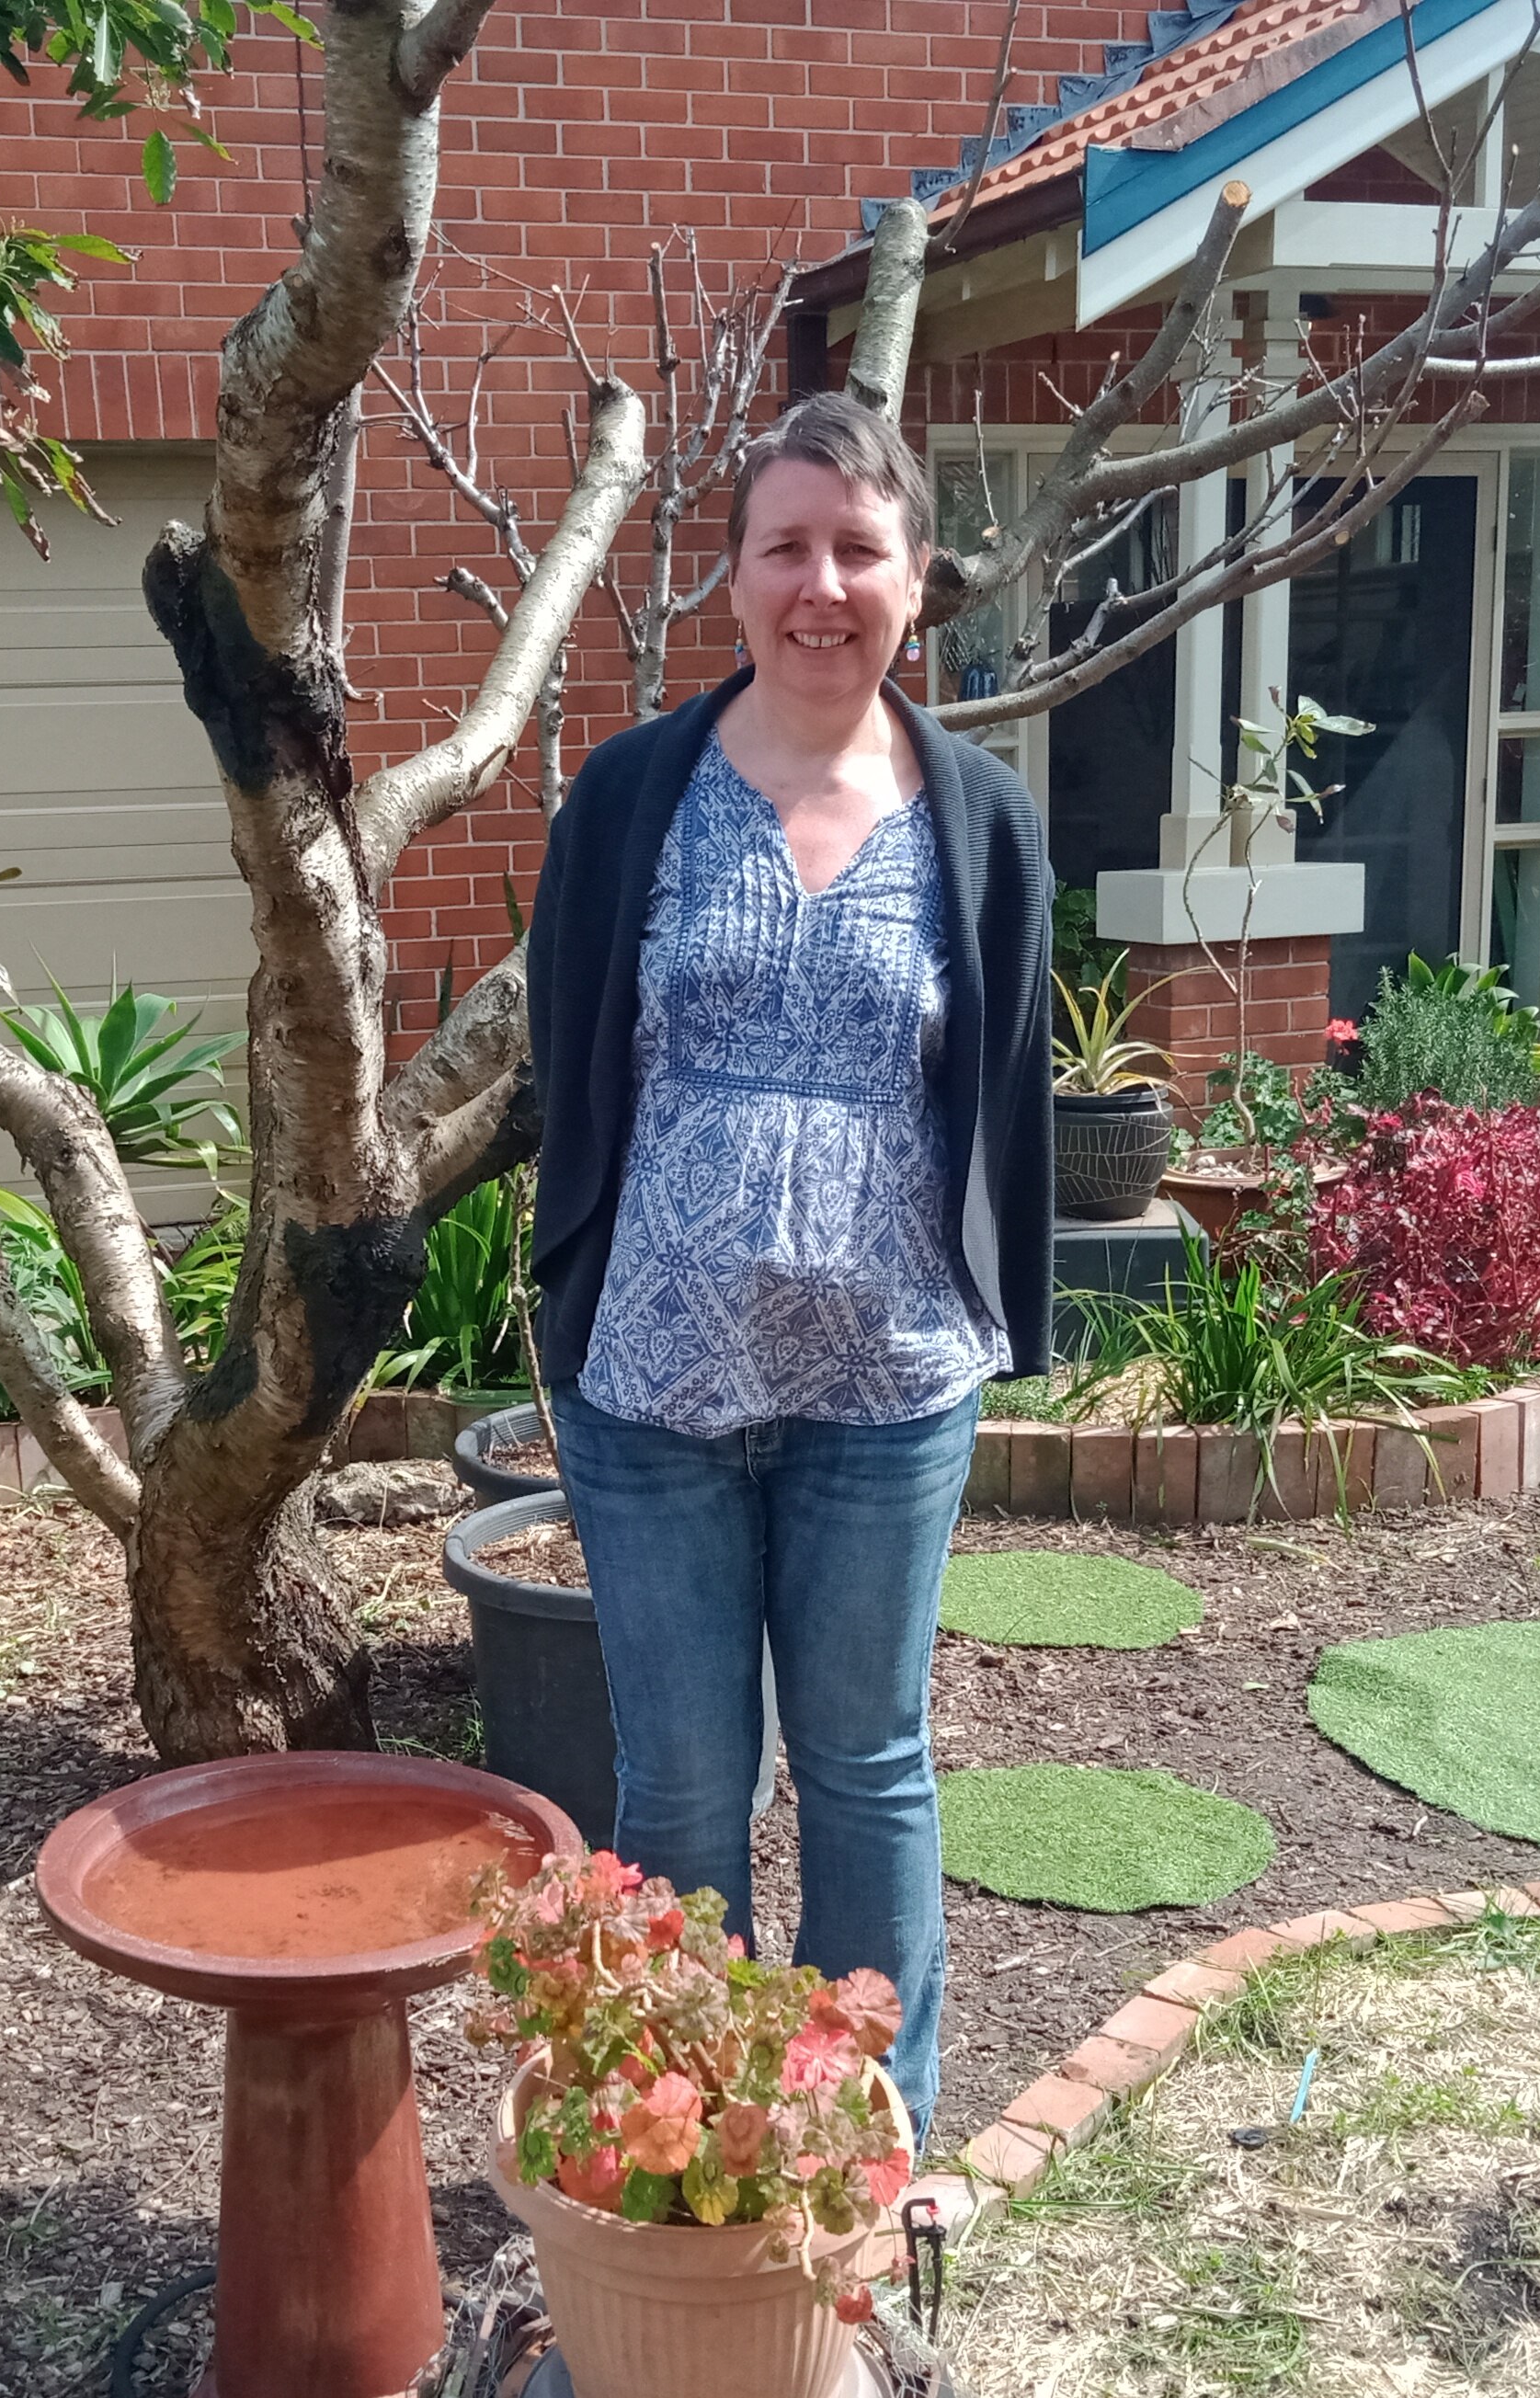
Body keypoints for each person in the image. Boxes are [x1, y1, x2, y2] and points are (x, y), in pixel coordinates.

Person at [522, 393, 1057, 2133]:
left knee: (867, 1770)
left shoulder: (978, 818)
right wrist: (579, 1266)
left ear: (914, 580)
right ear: (734, 580)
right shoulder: (633, 799)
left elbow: (1006, 1090)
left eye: (858, 549)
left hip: (885, 1387)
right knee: (679, 1788)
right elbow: (569, 1055)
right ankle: (677, 2143)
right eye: (785, 548)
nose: (820, 585)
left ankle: (860, 2139)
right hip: (657, 1385)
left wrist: (1004, 1305)